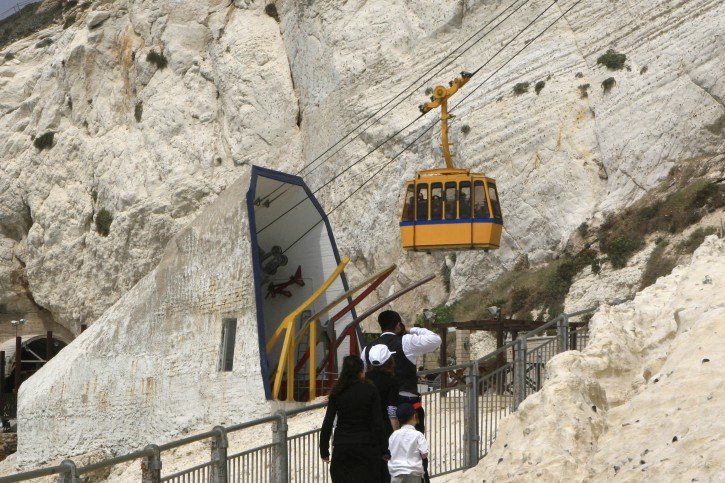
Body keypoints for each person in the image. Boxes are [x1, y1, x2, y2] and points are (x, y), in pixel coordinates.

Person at [320, 355, 388, 483]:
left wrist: (324, 450)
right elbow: (378, 422)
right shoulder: (370, 390)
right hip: (366, 446)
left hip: (342, 447)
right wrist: (384, 449)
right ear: (361, 371)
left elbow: (328, 422)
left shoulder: (336, 392)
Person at [366, 344, 400, 483]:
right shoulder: (391, 381)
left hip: (366, 429)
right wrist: (397, 433)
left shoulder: (364, 379)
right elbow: (391, 409)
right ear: (388, 361)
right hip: (385, 429)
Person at [387, 403, 429, 483]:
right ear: (414, 416)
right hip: (413, 473)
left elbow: (390, 451)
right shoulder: (418, 435)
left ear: (398, 420)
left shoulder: (393, 435)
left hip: (396, 473)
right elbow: (424, 454)